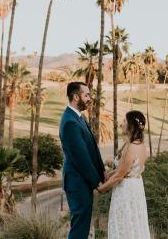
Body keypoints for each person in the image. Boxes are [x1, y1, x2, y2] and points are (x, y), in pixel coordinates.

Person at [59, 81, 106, 239]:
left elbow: (92, 148)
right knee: (79, 228)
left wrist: (102, 172)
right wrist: (96, 182)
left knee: (82, 226)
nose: (89, 98)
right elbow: (81, 158)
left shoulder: (79, 117)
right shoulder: (70, 122)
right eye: (86, 95)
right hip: (77, 183)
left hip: (81, 182)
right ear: (75, 96)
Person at [96, 110, 151, 239]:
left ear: (131, 125)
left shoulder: (132, 147)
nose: (122, 123)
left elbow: (120, 176)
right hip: (136, 187)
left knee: (124, 223)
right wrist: (110, 174)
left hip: (126, 191)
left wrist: (101, 189)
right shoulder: (141, 146)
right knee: (133, 223)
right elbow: (125, 169)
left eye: (125, 121)